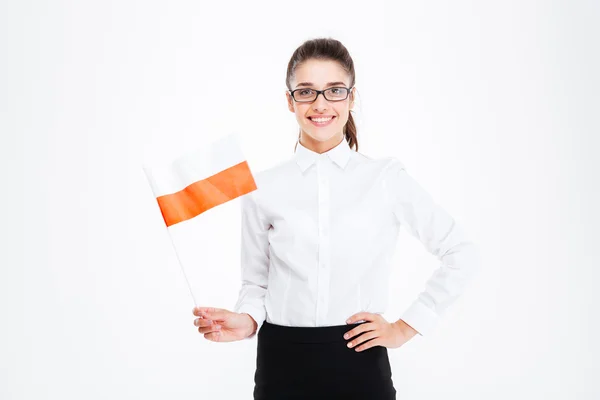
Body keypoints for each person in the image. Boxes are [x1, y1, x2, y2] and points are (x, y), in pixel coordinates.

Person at [192, 37, 481, 399]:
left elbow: (461, 253)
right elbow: (257, 284)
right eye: (306, 92)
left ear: (351, 97)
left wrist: (405, 328)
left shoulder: (385, 178)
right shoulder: (261, 187)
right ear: (290, 100)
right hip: (280, 364)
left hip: (358, 363)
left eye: (334, 90)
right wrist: (245, 321)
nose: (320, 104)